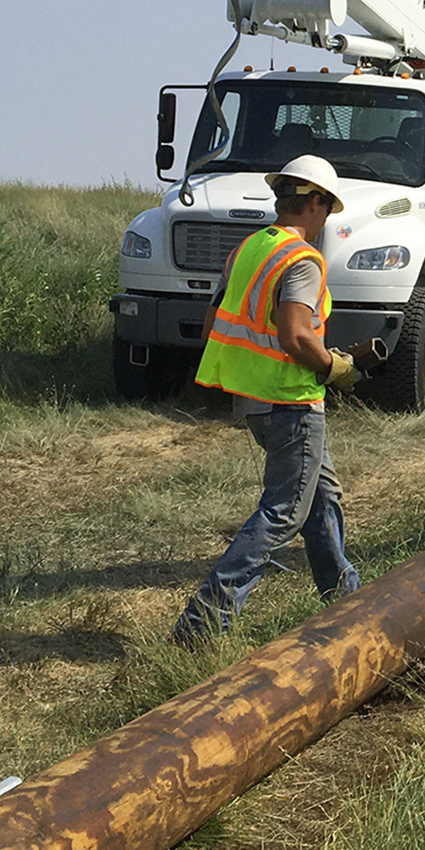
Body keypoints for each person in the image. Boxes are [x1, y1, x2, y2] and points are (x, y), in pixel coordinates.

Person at [173, 154, 363, 641]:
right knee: (283, 513)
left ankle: (345, 600)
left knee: (320, 500)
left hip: (255, 401)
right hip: (291, 401)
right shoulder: (301, 259)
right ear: (316, 203)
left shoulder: (250, 249)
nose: (327, 219)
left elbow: (213, 322)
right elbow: (297, 336)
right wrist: (334, 366)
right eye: (328, 208)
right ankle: (203, 623)